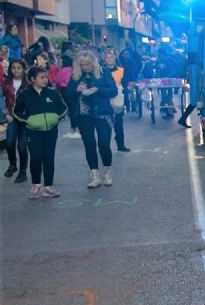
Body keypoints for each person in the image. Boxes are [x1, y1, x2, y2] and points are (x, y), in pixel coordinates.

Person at [13, 65, 67, 198]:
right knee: (36, 157)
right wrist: (28, 120)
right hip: (33, 132)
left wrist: (55, 118)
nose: (45, 80)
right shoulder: (24, 95)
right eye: (41, 77)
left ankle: (48, 187)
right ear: (32, 79)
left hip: (51, 131)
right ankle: (36, 185)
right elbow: (16, 111)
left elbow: (63, 108)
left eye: (46, 77)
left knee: (49, 158)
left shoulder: (52, 93)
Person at [69, 49, 118, 188]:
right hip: (84, 115)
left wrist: (97, 89)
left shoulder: (103, 73)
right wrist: (77, 90)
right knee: (89, 145)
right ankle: (95, 175)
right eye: (82, 65)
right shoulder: (76, 76)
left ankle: (108, 171)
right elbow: (67, 94)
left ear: (93, 63)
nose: (85, 67)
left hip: (103, 114)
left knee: (103, 144)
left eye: (87, 64)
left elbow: (113, 90)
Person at [3, 58, 28, 181]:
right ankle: (13, 165)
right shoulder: (5, 82)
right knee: (9, 143)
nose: (16, 70)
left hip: (25, 120)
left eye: (19, 68)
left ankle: (23, 172)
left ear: (23, 69)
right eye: (13, 68)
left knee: (22, 146)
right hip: (12, 118)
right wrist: (5, 114)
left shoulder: (29, 83)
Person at [101, 49, 130, 152]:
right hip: (105, 101)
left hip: (118, 100)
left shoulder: (121, 70)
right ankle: (105, 148)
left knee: (118, 124)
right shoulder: (100, 71)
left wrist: (127, 103)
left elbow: (125, 87)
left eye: (111, 57)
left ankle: (121, 145)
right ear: (104, 59)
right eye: (107, 57)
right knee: (105, 126)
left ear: (115, 58)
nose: (109, 59)